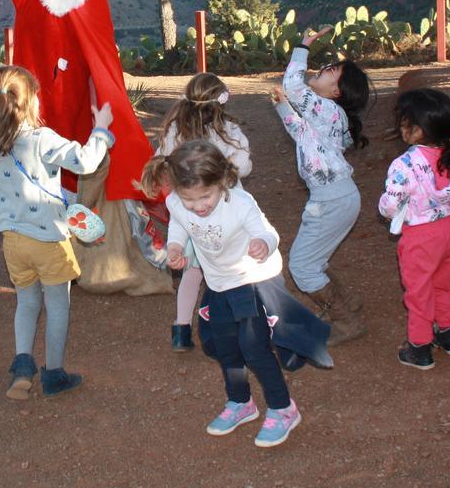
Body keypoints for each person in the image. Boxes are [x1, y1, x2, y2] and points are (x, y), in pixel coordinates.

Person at [0, 0, 168, 296]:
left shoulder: (93, 0)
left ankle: (80, 258)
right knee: (36, 172)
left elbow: (102, 59)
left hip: (78, 108)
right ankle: (42, 252)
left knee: (77, 176)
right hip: (32, 104)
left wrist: (102, 109)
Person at [137, 140, 332, 448]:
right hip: (219, 284)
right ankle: (241, 402)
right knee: (225, 346)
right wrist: (174, 247)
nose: (199, 206)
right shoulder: (177, 201)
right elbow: (179, 225)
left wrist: (263, 244)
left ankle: (283, 409)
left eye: (206, 196)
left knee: (254, 348)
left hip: (253, 279)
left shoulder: (240, 203)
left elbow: (269, 233)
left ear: (222, 182)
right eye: (190, 199)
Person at [0, 65, 115, 399]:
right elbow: (86, 161)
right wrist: (101, 129)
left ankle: (22, 366)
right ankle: (54, 374)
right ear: (31, 101)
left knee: (27, 302)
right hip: (48, 241)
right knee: (57, 304)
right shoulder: (41, 139)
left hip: (12, 242)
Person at [269, 27, 371, 344]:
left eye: (331, 71)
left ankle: (347, 320)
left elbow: (293, 85)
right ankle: (347, 304)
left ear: (336, 92)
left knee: (301, 266)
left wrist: (303, 46)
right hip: (336, 197)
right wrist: (282, 106)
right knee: (313, 260)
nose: (323, 69)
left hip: (332, 200)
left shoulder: (328, 110)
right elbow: (301, 132)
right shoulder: (329, 116)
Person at [154, 72, 253, 352]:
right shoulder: (228, 130)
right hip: (225, 212)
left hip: (188, 214)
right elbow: (243, 166)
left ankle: (181, 330)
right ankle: (237, 327)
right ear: (221, 101)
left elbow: (165, 162)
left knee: (193, 273)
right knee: (232, 269)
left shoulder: (174, 129)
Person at [378, 88, 450, 371]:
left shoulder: (404, 163)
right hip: (448, 231)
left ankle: (419, 348)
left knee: (418, 291)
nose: (400, 125)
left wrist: (385, 210)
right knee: (442, 285)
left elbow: (391, 204)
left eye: (404, 120)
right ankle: (447, 335)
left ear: (417, 131)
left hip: (420, 236)